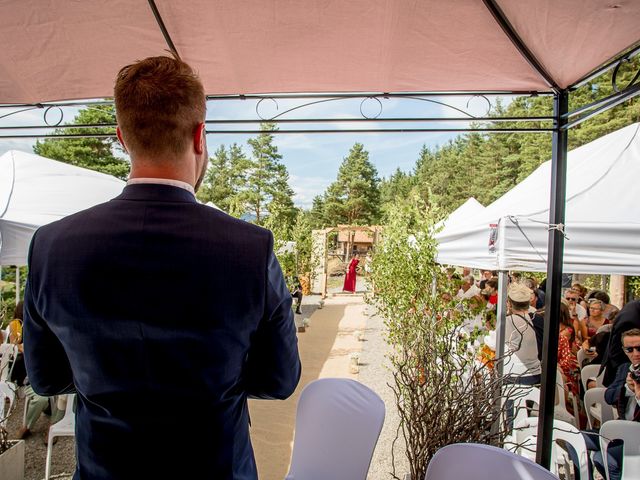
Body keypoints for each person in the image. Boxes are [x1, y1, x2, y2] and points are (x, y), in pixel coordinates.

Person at [23, 55, 301, 480]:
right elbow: (280, 380)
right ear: (200, 136)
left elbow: (45, 378)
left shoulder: (53, 245)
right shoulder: (250, 248)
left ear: (122, 137)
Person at [581, 328, 640, 480]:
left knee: (602, 459)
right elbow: (608, 396)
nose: (635, 353)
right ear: (624, 350)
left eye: (639, 348)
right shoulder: (624, 369)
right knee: (574, 438)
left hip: (636, 436)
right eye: (630, 349)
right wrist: (627, 389)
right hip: (619, 431)